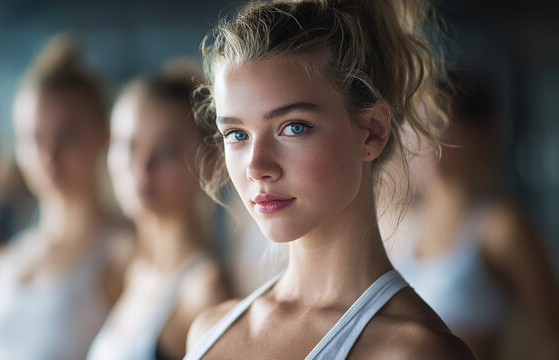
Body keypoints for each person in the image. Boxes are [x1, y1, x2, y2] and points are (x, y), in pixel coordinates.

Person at [183, 0, 475, 359]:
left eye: (293, 127)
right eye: (237, 134)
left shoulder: (413, 351)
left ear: (372, 132)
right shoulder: (209, 330)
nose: (257, 167)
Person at [386, 69, 559, 360]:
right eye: (416, 124)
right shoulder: (402, 225)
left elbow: (552, 336)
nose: (423, 138)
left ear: (478, 132)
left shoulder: (500, 226)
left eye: (438, 122)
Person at [0, 35, 132, 360]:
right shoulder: (4, 260)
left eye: (66, 136)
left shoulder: (124, 253)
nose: (48, 155)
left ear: (103, 136)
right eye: (34, 139)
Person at [87, 61, 230, 360]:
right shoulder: (132, 271)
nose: (142, 169)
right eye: (128, 147)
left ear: (210, 160)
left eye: (165, 151)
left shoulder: (204, 288)